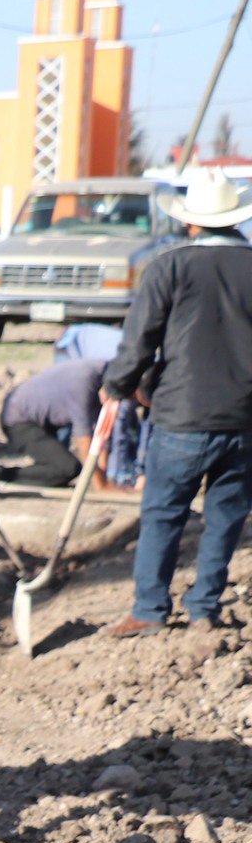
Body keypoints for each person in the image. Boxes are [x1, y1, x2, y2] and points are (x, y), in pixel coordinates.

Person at [99, 168, 252, 638]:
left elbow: (139, 340)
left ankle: (149, 610)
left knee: (164, 512)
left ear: (191, 222)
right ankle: (204, 606)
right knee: (226, 516)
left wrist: (116, 386)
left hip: (182, 414)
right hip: (245, 417)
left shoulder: (169, 265)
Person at [0, 358, 100, 489]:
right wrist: (101, 485)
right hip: (18, 422)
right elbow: (84, 441)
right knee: (68, 468)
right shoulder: (84, 387)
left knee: (60, 468)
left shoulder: (98, 372)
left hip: (38, 419)